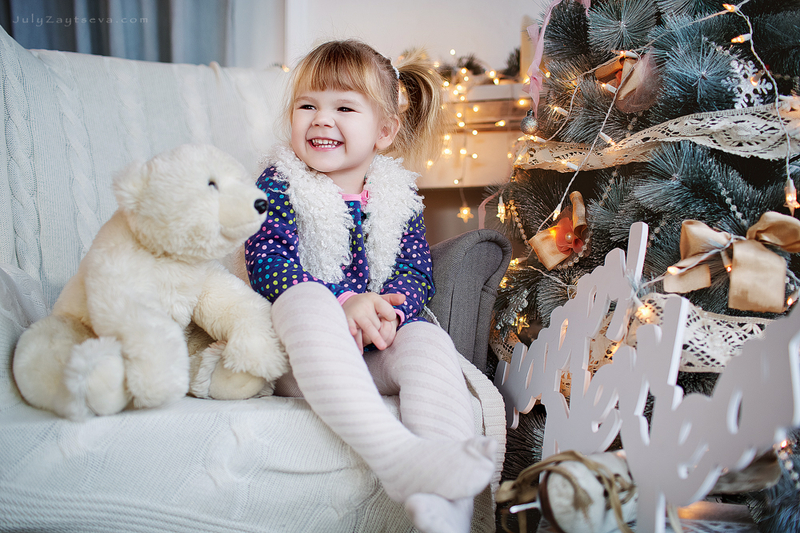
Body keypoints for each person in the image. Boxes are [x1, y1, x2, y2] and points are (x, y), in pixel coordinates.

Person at [244, 40, 496, 533]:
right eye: (307, 106)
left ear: (384, 131)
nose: (321, 119)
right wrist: (342, 302)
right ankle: (394, 454)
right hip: (300, 354)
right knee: (305, 299)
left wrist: (388, 311)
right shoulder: (279, 183)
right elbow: (267, 259)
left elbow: (416, 270)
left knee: (427, 340)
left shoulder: (397, 195)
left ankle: (448, 506)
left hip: (371, 346)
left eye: (343, 108)